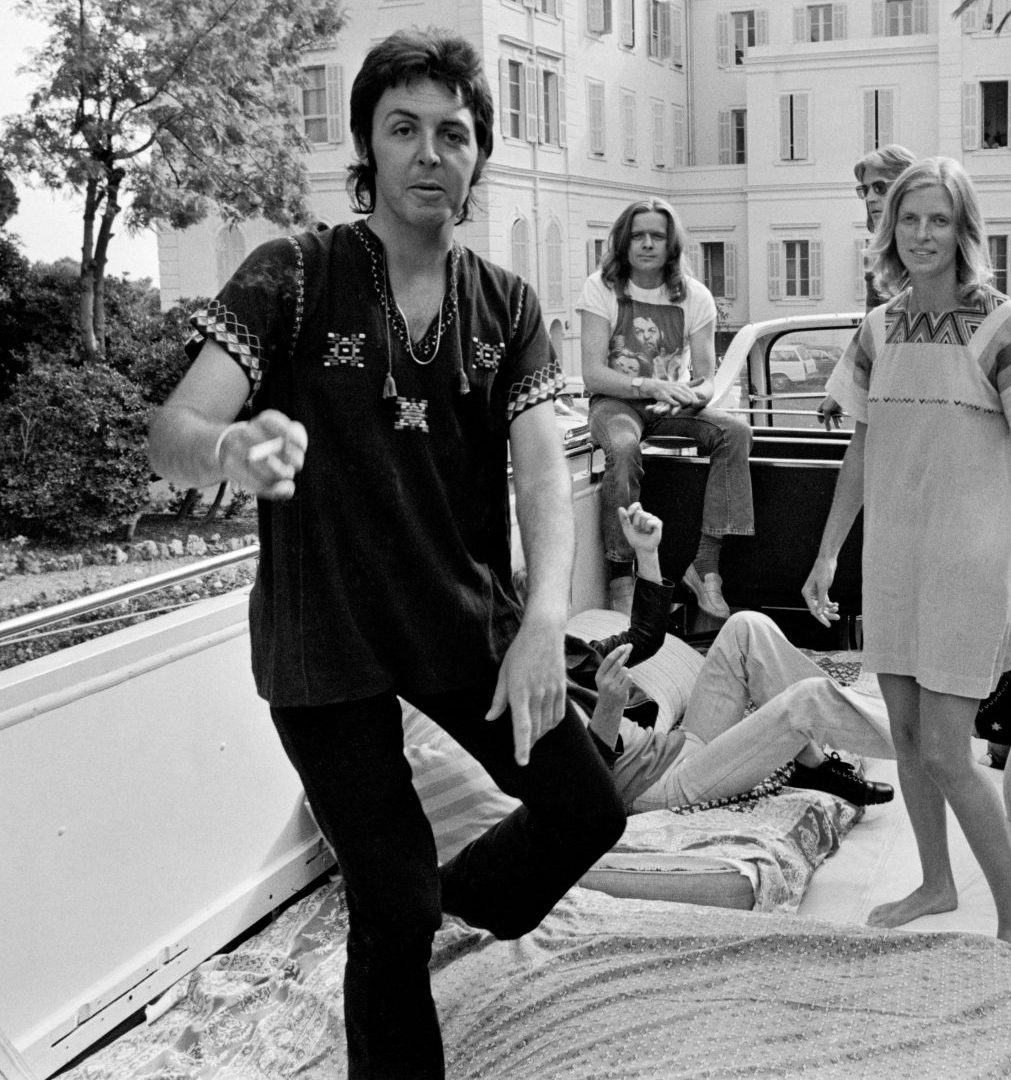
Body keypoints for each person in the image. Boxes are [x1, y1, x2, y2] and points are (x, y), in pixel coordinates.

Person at [145, 30, 624, 1079]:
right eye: (403, 128)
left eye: (453, 133)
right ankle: (414, 923)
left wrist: (545, 620)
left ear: (477, 158)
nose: (428, 153)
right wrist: (231, 445)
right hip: (326, 640)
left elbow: (544, 472)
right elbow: (173, 431)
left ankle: (465, 899)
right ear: (367, 143)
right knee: (390, 900)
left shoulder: (509, 305)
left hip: (460, 616)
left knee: (588, 809)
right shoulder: (296, 278)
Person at [801, 157, 1011, 955]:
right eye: (909, 219)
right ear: (889, 229)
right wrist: (827, 554)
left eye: (939, 220)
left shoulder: (1006, 328)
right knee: (903, 734)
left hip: (969, 562)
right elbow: (859, 453)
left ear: (965, 232)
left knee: (944, 748)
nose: (922, 235)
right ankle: (934, 882)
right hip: (892, 557)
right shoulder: (877, 329)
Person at [570, 502, 897, 812]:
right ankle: (916, 736)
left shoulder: (563, 655)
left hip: (677, 747)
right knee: (806, 701)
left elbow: (643, 638)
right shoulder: (526, 704)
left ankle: (812, 763)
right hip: (657, 787)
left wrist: (646, 552)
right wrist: (608, 711)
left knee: (746, 627)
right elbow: (579, 797)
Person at [579, 197, 753, 621]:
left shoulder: (695, 296)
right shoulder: (601, 288)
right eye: (638, 235)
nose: (646, 244)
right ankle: (622, 574)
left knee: (735, 432)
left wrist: (697, 394)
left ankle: (705, 564)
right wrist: (645, 383)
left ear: (671, 244)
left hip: (669, 404)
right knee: (621, 447)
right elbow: (592, 374)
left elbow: (708, 377)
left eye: (657, 236)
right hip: (616, 401)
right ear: (623, 241)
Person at [820, 144, 918, 429]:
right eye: (865, 190)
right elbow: (868, 335)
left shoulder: (934, 248)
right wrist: (841, 390)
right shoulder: (880, 264)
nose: (871, 197)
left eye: (880, 187)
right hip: (892, 386)